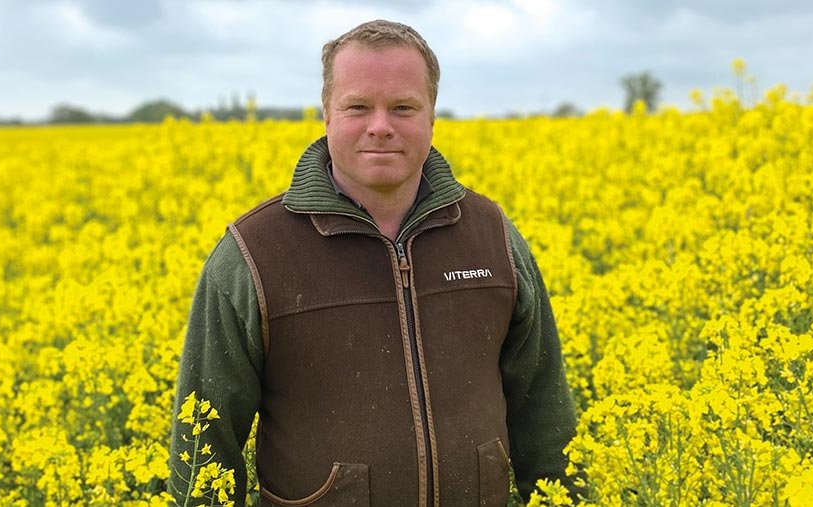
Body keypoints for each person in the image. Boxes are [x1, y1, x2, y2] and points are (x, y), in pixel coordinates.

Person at [169, 19, 580, 507]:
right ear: (327, 114)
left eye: (403, 107)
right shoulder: (252, 255)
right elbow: (204, 447)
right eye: (358, 106)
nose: (380, 126)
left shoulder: (492, 235)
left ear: (432, 117)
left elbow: (545, 417)